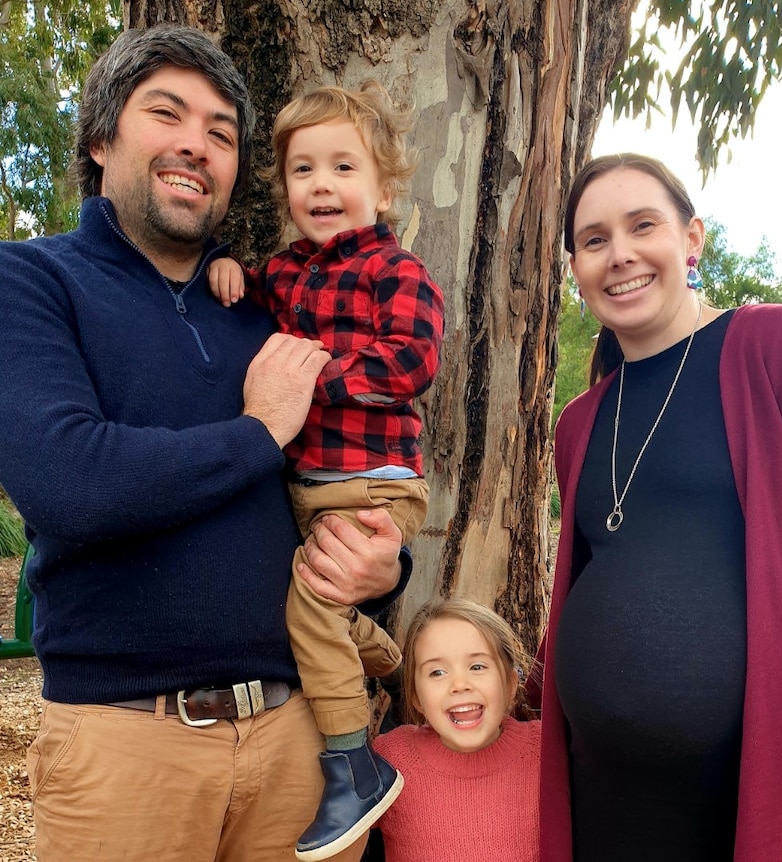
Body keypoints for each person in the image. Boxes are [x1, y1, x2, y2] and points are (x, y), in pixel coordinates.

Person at [0, 25, 413, 862]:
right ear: (100, 137)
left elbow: (339, 465)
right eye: (167, 113)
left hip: (302, 744)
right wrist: (258, 429)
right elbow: (69, 483)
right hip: (127, 747)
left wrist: (383, 566)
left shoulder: (274, 310)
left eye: (222, 132)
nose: (197, 143)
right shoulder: (32, 281)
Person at [538, 152, 782, 862]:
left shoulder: (779, 347)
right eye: (593, 240)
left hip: (738, 800)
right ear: (575, 268)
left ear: (692, 240)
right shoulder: (580, 422)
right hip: (601, 799)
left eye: (641, 225)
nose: (619, 254)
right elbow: (597, 581)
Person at [208, 80, 444, 860]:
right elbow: (247, 311)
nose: (322, 185)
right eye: (303, 170)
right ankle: (385, 657)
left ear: (383, 186)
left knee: (311, 611)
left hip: (374, 479)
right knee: (311, 605)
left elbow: (409, 362)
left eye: (344, 168)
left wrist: (313, 381)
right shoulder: (283, 272)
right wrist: (227, 273)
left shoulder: (395, 271)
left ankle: (352, 765)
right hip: (311, 484)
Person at [369, 597, 540, 861]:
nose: (459, 684)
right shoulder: (391, 760)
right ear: (416, 697)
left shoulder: (546, 753)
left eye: (477, 666)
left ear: (509, 684)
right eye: (437, 672)